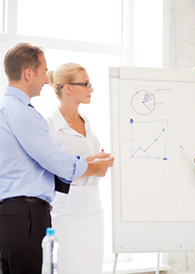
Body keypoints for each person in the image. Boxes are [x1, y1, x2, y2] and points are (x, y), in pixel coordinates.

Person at [0, 42, 113, 274]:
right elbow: (55, 161)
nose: (46, 79)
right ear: (28, 73)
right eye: (43, 72)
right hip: (26, 214)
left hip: (16, 212)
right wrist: (92, 167)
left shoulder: (7, 108)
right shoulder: (24, 114)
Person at [46, 63, 112, 274]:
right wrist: (92, 167)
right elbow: (54, 170)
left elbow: (77, 160)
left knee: (94, 268)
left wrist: (95, 161)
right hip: (68, 209)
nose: (91, 89)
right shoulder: (49, 127)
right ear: (68, 88)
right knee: (71, 267)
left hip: (93, 207)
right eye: (85, 84)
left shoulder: (86, 122)